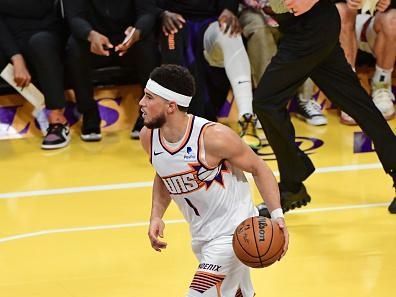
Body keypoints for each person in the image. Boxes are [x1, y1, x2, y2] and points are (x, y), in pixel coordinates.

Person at [139, 64, 289, 295]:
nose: (141, 102)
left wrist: (277, 216)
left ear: (171, 106)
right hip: (202, 237)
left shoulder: (213, 137)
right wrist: (156, 215)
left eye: (149, 97)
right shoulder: (149, 137)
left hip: (235, 233)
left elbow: (259, 168)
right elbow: (162, 174)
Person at [252, 0, 396, 214]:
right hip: (305, 26)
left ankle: (293, 182)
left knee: (266, 102)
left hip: (310, 29)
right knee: (359, 105)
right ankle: (292, 184)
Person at [156, 0, 262, 150]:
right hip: (174, 20)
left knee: (230, 32)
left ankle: (247, 117)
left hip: (211, 21)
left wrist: (228, 9)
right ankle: (177, 125)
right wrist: (161, 14)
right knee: (173, 60)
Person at [64, 0, 160, 141]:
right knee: (74, 46)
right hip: (94, 42)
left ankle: (148, 113)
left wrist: (137, 32)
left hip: (129, 41)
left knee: (147, 41)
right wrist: (89, 35)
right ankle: (89, 114)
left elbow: (147, 12)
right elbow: (74, 17)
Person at [239, 0, 328, 126]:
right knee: (260, 29)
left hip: (288, 6)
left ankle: (305, 100)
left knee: (307, 26)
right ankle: (266, 105)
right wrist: (264, 6)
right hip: (252, 9)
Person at [0, 0, 73, 149]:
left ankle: (57, 120)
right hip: (10, 41)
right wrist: (16, 57)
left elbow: (40, 8)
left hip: (45, 33)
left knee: (40, 43)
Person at [336, 0, 396, 124]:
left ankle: (381, 85)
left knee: (393, 18)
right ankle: (348, 89)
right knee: (340, 11)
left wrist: (390, 2)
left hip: (376, 28)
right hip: (342, 30)